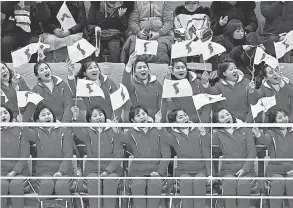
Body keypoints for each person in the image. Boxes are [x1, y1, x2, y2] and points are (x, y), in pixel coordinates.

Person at [117, 104, 170, 208]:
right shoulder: (130, 133)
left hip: (156, 171)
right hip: (137, 172)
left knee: (154, 184)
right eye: (138, 115)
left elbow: (166, 153)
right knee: (138, 185)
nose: (142, 116)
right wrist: (115, 128)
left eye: (143, 113)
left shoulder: (159, 130)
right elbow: (119, 137)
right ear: (132, 120)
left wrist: (159, 172)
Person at [22, 104, 74, 208]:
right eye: (43, 115)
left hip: (64, 173)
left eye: (49, 114)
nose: (47, 116)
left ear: (53, 116)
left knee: (61, 186)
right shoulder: (36, 132)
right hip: (44, 173)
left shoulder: (64, 130)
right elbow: (24, 131)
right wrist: (27, 113)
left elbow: (68, 154)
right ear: (37, 120)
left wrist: (60, 172)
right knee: (47, 185)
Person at [71, 105, 123, 208]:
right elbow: (77, 131)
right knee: (94, 182)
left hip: (113, 171)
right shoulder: (87, 131)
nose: (99, 117)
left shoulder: (114, 130)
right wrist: (75, 118)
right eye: (94, 116)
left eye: (100, 114)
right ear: (90, 120)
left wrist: (107, 171)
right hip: (92, 171)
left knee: (110, 181)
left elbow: (119, 154)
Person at [161, 108, 212, 208]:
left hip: (200, 169)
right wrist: (158, 124)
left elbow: (206, 150)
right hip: (183, 170)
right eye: (181, 117)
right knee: (186, 182)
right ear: (175, 122)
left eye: (185, 115)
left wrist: (204, 135)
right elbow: (163, 136)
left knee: (199, 181)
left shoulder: (198, 129)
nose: (185, 118)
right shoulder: (173, 134)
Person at [213, 107, 257, 208]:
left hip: (247, 171)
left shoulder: (245, 129)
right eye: (222, 117)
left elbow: (252, 152)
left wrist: (244, 169)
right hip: (227, 171)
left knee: (242, 185)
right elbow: (205, 140)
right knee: (229, 184)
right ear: (218, 122)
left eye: (227, 114)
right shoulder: (217, 134)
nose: (226, 117)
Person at [253, 109, 293, 208]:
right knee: (278, 182)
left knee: (291, 182)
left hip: (291, 169)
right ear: (274, 122)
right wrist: (258, 133)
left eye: (285, 116)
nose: (284, 119)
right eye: (280, 118)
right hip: (275, 170)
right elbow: (264, 140)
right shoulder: (271, 133)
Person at [162, 59, 212, 123]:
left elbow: (208, 101)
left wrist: (203, 121)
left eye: (183, 67)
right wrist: (167, 78)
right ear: (173, 72)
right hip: (183, 121)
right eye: (177, 68)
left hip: (202, 120)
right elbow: (163, 98)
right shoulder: (172, 85)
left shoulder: (197, 82)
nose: (181, 70)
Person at [1, 105, 30, 208]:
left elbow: (25, 154)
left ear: (10, 115)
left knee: (15, 185)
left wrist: (14, 171)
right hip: (1, 173)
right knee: (1, 186)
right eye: (0, 114)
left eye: (5, 112)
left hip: (20, 173)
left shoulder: (20, 130)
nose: (3, 115)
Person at [123, 52, 162, 120]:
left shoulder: (156, 82)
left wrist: (159, 120)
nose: (143, 69)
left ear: (149, 70)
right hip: (140, 119)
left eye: (145, 67)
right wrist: (129, 64)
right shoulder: (132, 84)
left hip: (156, 120)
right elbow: (125, 83)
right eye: (139, 68)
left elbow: (162, 102)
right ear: (134, 72)